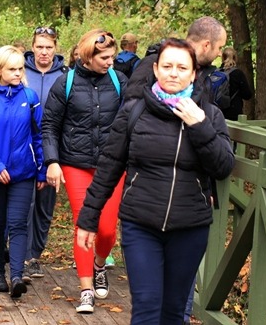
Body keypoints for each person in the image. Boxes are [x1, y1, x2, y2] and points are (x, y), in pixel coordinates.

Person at [76, 38, 235, 324]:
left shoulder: (209, 115)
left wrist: (200, 127)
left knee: (173, 312)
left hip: (190, 227)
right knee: (147, 309)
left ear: (194, 73)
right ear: (156, 70)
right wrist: (89, 218)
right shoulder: (135, 110)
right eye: (167, 66)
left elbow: (223, 167)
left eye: (182, 67)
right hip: (141, 224)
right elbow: (109, 165)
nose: (174, 73)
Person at [42, 29, 127, 314]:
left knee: (106, 230)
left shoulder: (119, 81)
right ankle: (86, 289)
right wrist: (52, 161)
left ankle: (100, 264)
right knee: (84, 225)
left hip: (112, 166)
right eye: (104, 57)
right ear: (88, 56)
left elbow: (133, 120)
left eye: (112, 56)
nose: (110, 62)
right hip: (76, 164)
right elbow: (50, 125)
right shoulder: (65, 83)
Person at [0, 46, 45, 298]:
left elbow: (38, 134)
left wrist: (41, 169)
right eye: (12, 69)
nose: (18, 73)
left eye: (21, 68)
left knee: (19, 223)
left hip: (24, 171)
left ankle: (17, 275)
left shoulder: (30, 97)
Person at [22, 26, 66, 281]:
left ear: (55, 48)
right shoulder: (21, 71)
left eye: (48, 47)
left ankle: (35, 253)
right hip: (23, 146)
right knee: (23, 204)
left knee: (45, 205)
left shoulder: (64, 74)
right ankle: (23, 254)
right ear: (33, 47)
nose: (44, 52)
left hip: (52, 148)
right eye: (39, 46)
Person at [218, 47, 253, 120]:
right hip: (234, 113)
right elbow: (247, 95)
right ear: (235, 58)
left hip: (218, 112)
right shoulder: (238, 74)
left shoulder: (217, 73)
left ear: (223, 58)